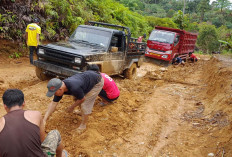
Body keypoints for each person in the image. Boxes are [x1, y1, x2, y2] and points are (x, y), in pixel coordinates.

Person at [0, 89, 67, 157]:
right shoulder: (35, 115)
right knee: (55, 133)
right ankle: (61, 155)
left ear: (5, 106)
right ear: (24, 103)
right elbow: (41, 142)